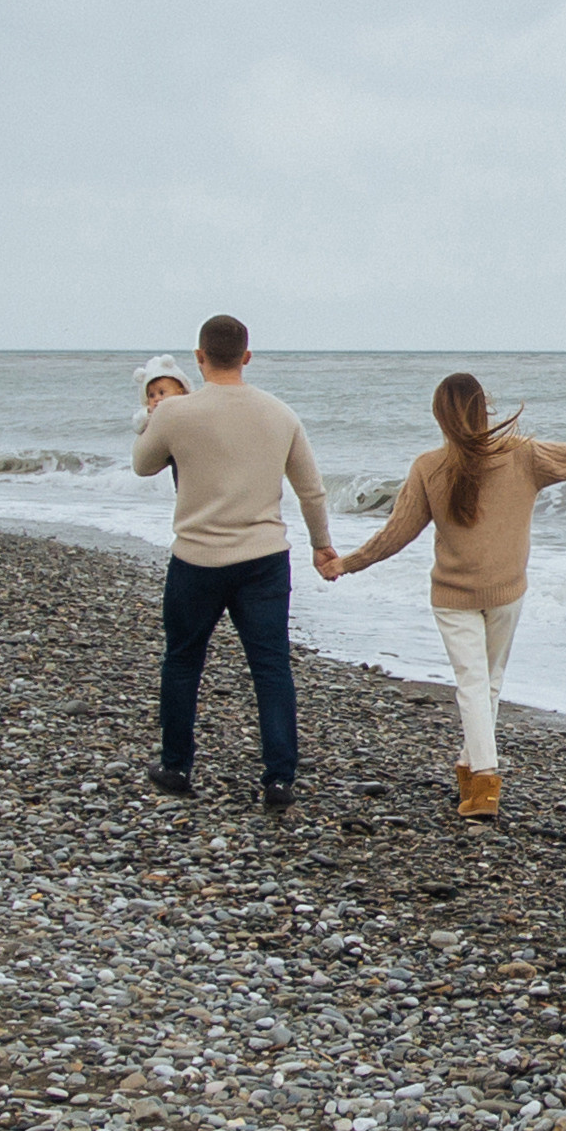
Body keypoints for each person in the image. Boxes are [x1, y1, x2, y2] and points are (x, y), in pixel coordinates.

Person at [322, 374, 566, 818]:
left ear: (439, 416)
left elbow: (396, 534)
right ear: (484, 408)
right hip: (505, 591)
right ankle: (480, 776)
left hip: (454, 594)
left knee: (476, 686)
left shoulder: (430, 466)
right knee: (484, 685)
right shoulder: (522, 457)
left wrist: (348, 563)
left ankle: (479, 777)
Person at [133, 314, 334, 811]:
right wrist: (321, 545)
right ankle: (279, 779)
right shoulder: (279, 413)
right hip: (263, 558)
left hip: (196, 556)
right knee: (270, 667)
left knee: (182, 660)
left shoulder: (175, 413)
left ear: (199, 358)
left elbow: (142, 464)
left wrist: (158, 418)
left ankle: (177, 766)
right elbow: (311, 490)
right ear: (247, 356)